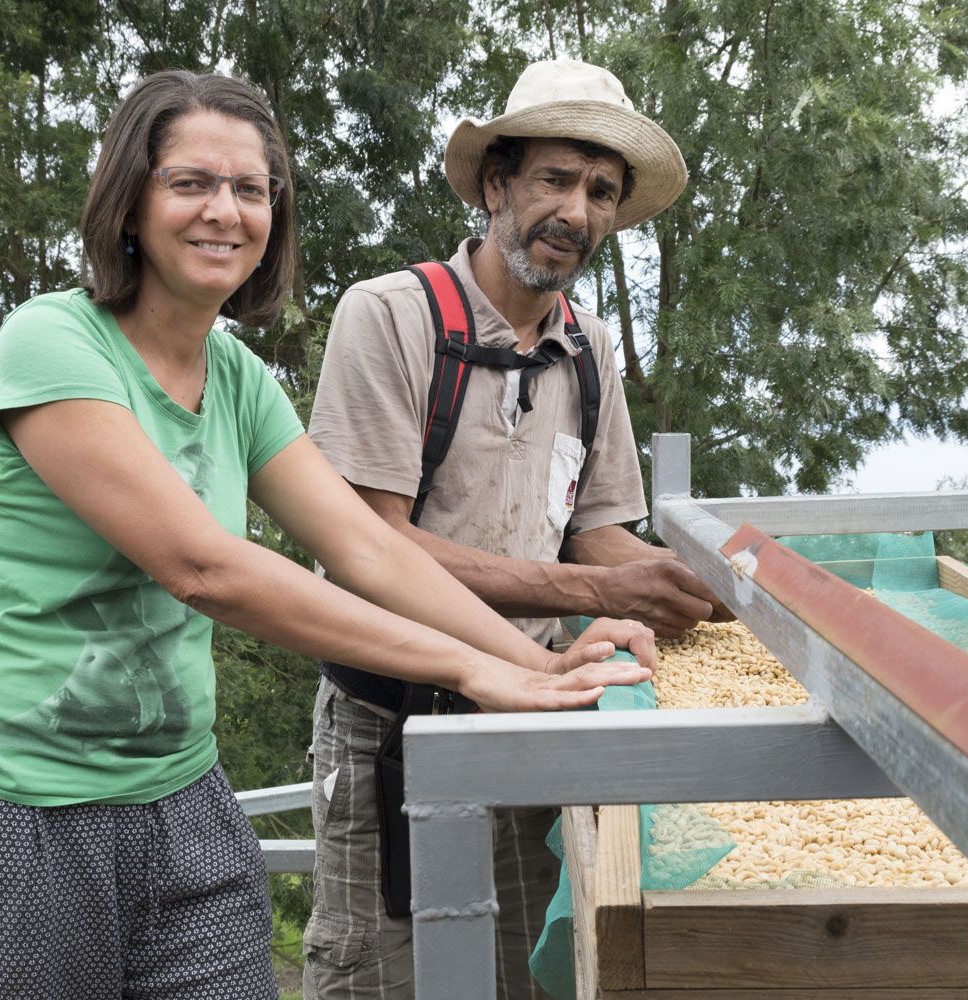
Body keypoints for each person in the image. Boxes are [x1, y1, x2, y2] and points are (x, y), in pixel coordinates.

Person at [0, 69, 654, 1000]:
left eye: (251, 190)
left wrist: (533, 668)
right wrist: (471, 667)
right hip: (11, 807)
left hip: (178, 794)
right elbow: (206, 568)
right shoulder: (50, 344)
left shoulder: (238, 378)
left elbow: (367, 547)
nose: (225, 212)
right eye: (191, 183)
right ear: (130, 201)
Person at [302, 59, 725, 999]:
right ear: (497, 183)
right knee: (382, 975)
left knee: (539, 970)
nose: (576, 211)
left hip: (536, 707)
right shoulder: (393, 318)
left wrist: (717, 589)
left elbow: (601, 533)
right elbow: (368, 544)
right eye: (555, 179)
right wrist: (601, 593)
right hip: (392, 718)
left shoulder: (589, 349)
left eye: (601, 190)